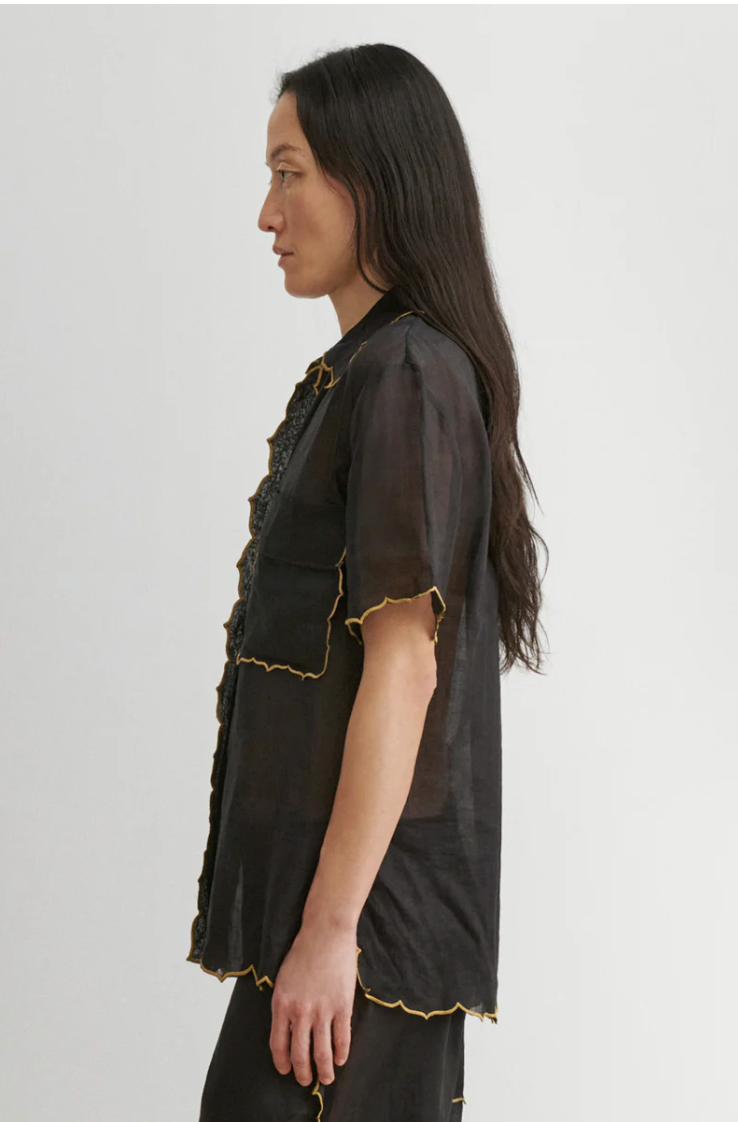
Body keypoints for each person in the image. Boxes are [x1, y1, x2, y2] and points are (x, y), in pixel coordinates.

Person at [188, 43, 547, 1122]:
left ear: (372, 179)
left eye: (289, 174)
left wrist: (332, 931)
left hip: (361, 954)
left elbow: (404, 667)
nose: (267, 213)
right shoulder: (368, 372)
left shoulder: (407, 375)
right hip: (336, 942)